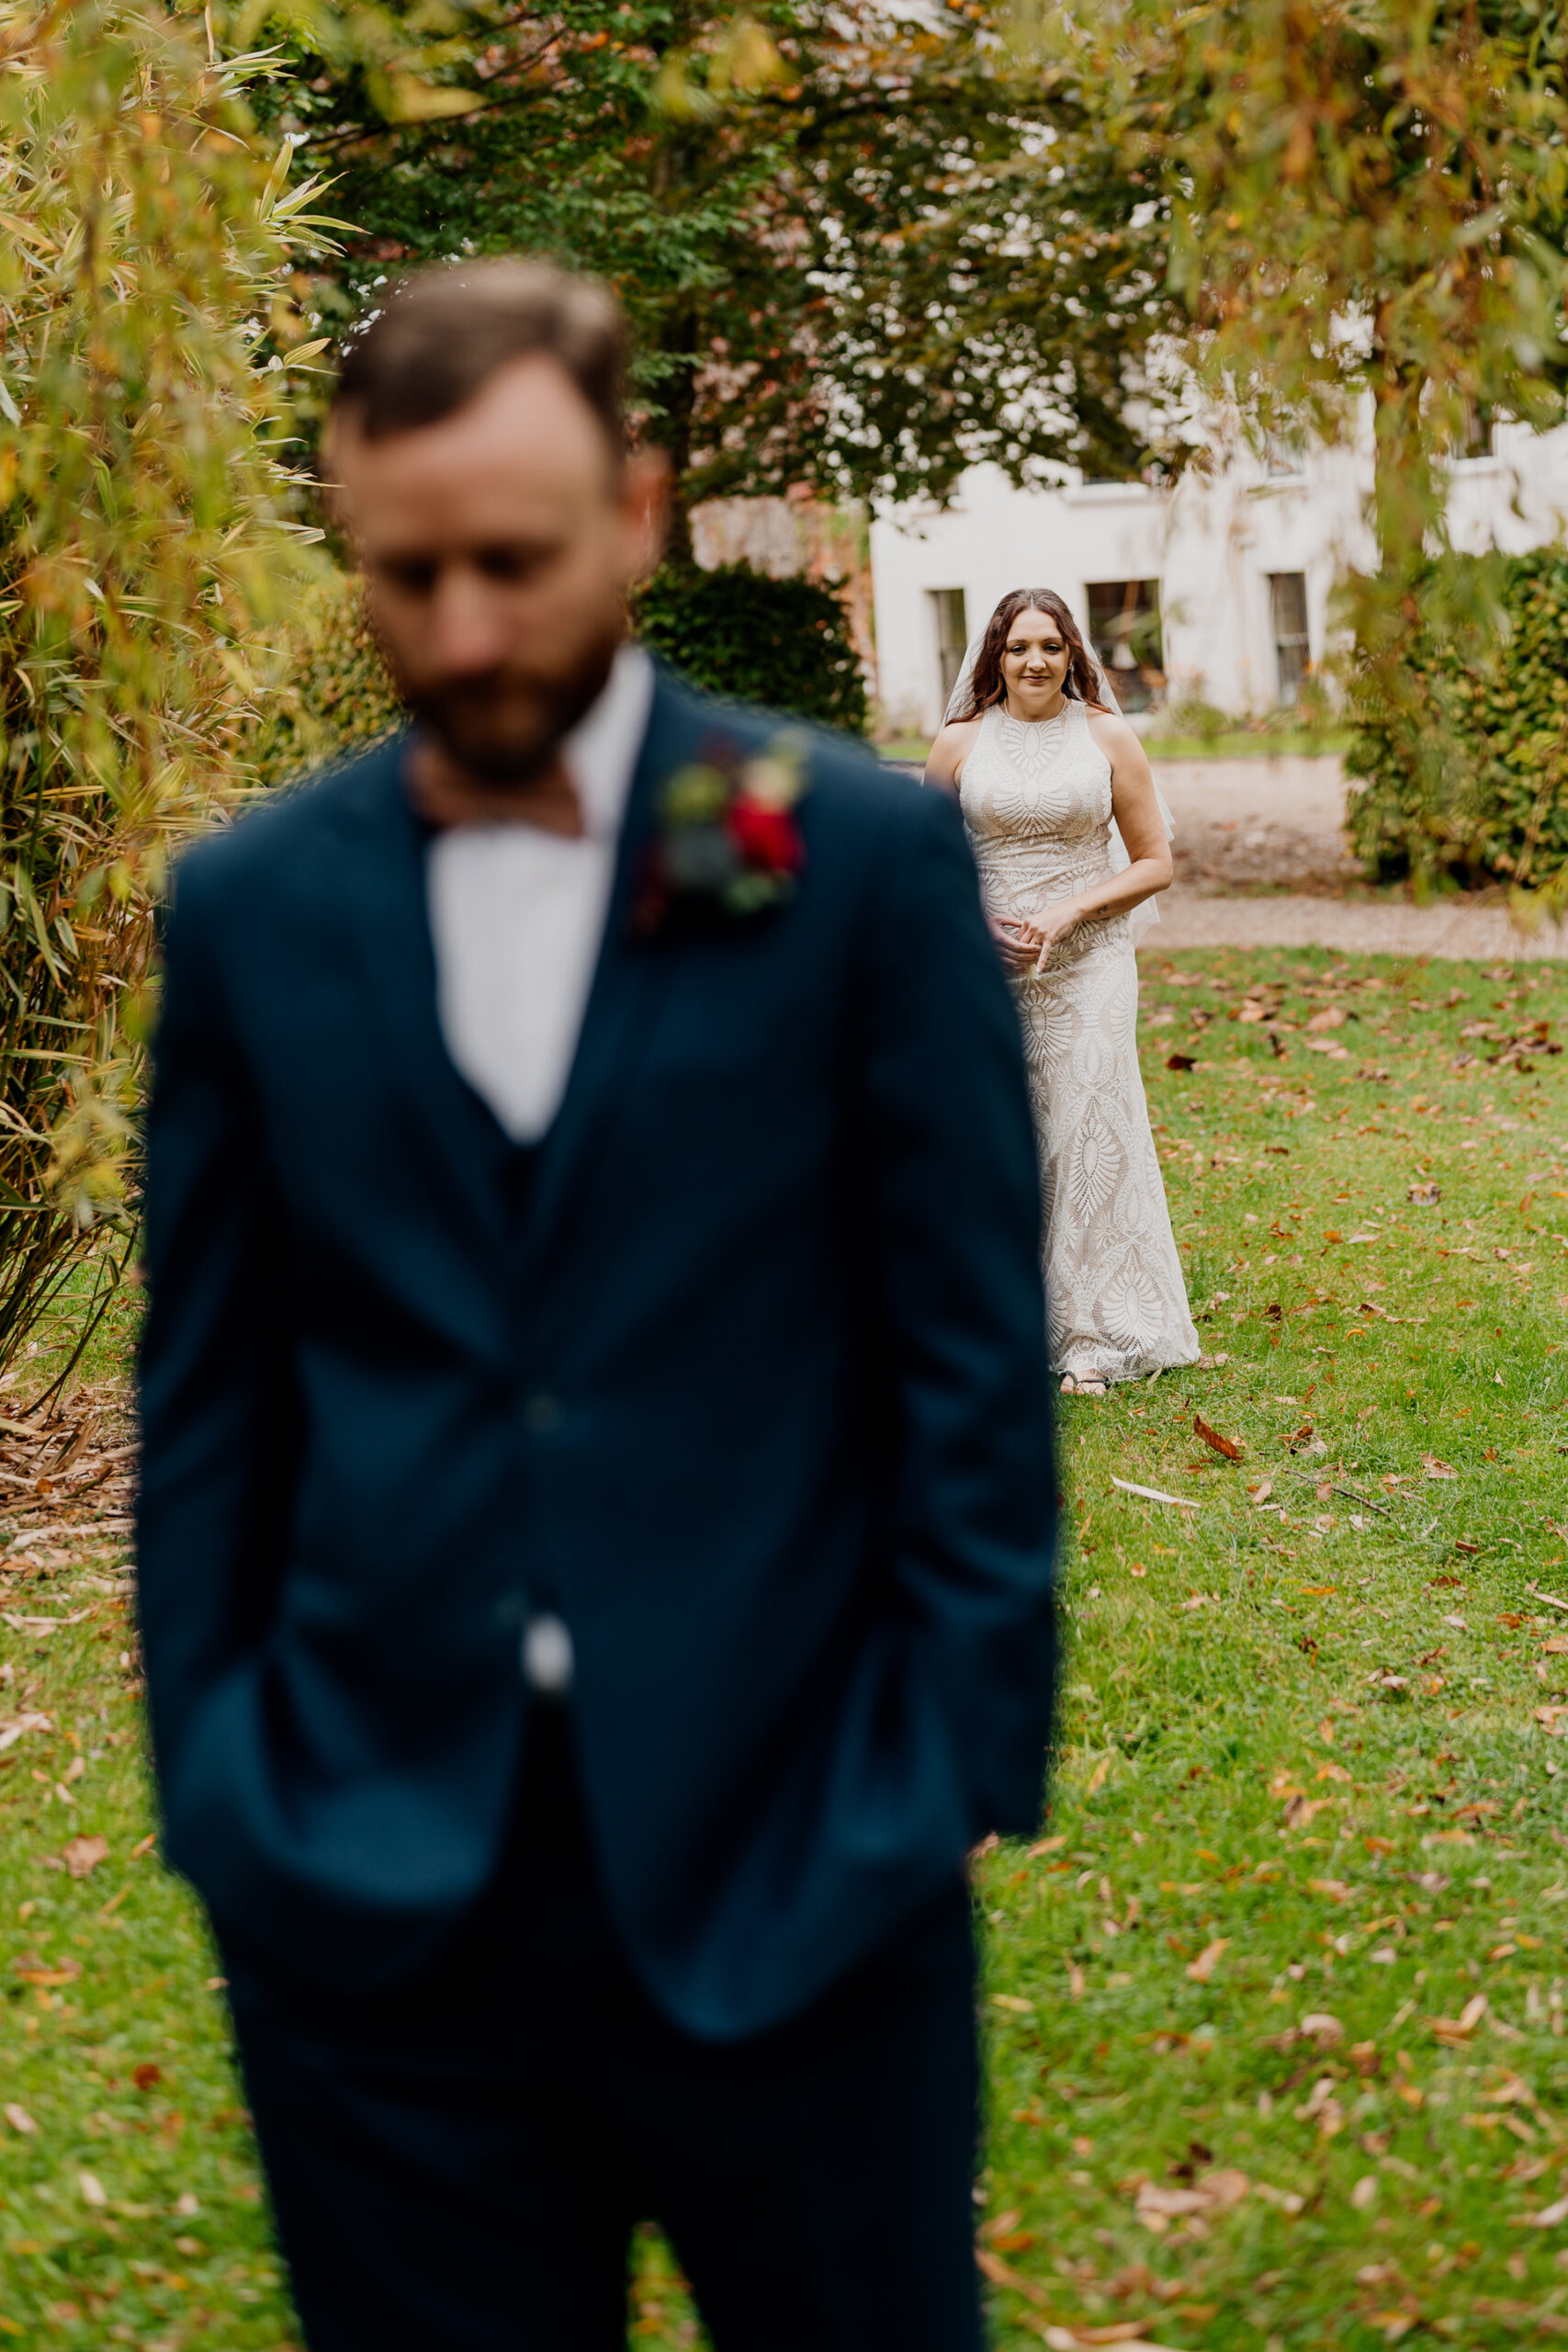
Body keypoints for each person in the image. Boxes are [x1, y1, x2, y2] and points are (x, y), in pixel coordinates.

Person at [136, 259, 1058, 2352]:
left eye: (515, 562)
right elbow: (213, 1396)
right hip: (372, 1905)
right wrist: (225, 1785)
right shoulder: (254, 911)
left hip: (802, 1862)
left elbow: (962, 1360)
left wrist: (944, 1765)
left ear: (634, 510)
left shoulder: (853, 871)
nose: (459, 630)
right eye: (406, 572)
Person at [925, 587, 1200, 1395]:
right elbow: (922, 866)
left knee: (1085, 1125)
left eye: (1050, 646)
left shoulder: (1108, 736)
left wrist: (1068, 912)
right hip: (990, 966)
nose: (1034, 661)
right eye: (1018, 648)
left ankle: (1087, 1333)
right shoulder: (957, 744)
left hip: (1091, 958)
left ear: (1072, 654)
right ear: (995, 659)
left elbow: (1154, 862)